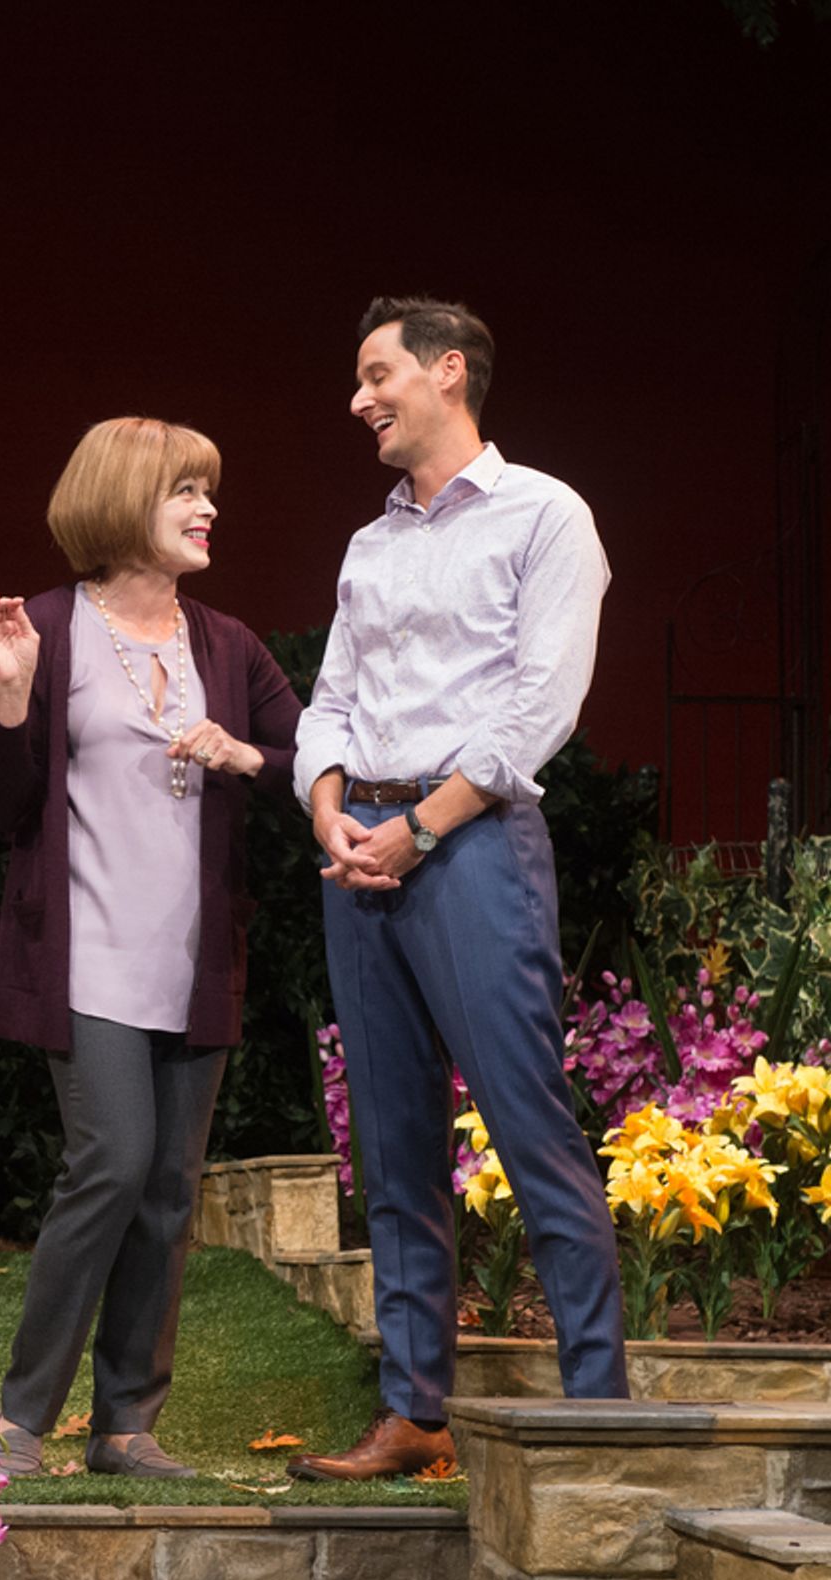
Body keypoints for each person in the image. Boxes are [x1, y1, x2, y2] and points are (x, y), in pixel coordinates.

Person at [288, 296, 629, 1483]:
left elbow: (544, 702)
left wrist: (420, 828)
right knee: (393, 1147)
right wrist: (330, 805)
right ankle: (413, 1407)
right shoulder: (370, 544)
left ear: (447, 373)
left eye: (375, 374)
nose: (359, 400)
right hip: (360, 849)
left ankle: (599, 1411)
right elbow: (327, 695)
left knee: (531, 1128)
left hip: (471, 844)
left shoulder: (545, 516)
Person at [0, 416, 301, 1480]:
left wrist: (243, 750)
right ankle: (21, 1419)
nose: (209, 511)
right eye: (186, 494)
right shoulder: (53, 628)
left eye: (210, 492)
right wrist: (13, 697)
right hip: (88, 958)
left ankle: (125, 1426)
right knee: (109, 1162)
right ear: (121, 504)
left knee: (166, 1187)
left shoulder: (228, 645)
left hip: (193, 962)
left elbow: (309, 759)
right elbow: (7, 810)